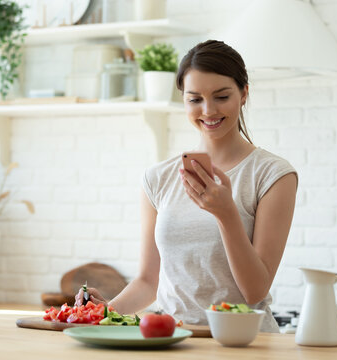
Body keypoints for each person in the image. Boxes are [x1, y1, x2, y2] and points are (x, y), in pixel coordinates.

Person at [75, 39, 298, 332]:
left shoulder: (273, 175)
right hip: (170, 339)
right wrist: (104, 311)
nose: (208, 110)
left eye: (221, 96)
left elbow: (255, 290)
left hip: (242, 343)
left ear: (244, 94)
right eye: (195, 99)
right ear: (183, 100)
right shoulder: (158, 178)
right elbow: (147, 282)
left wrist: (226, 213)